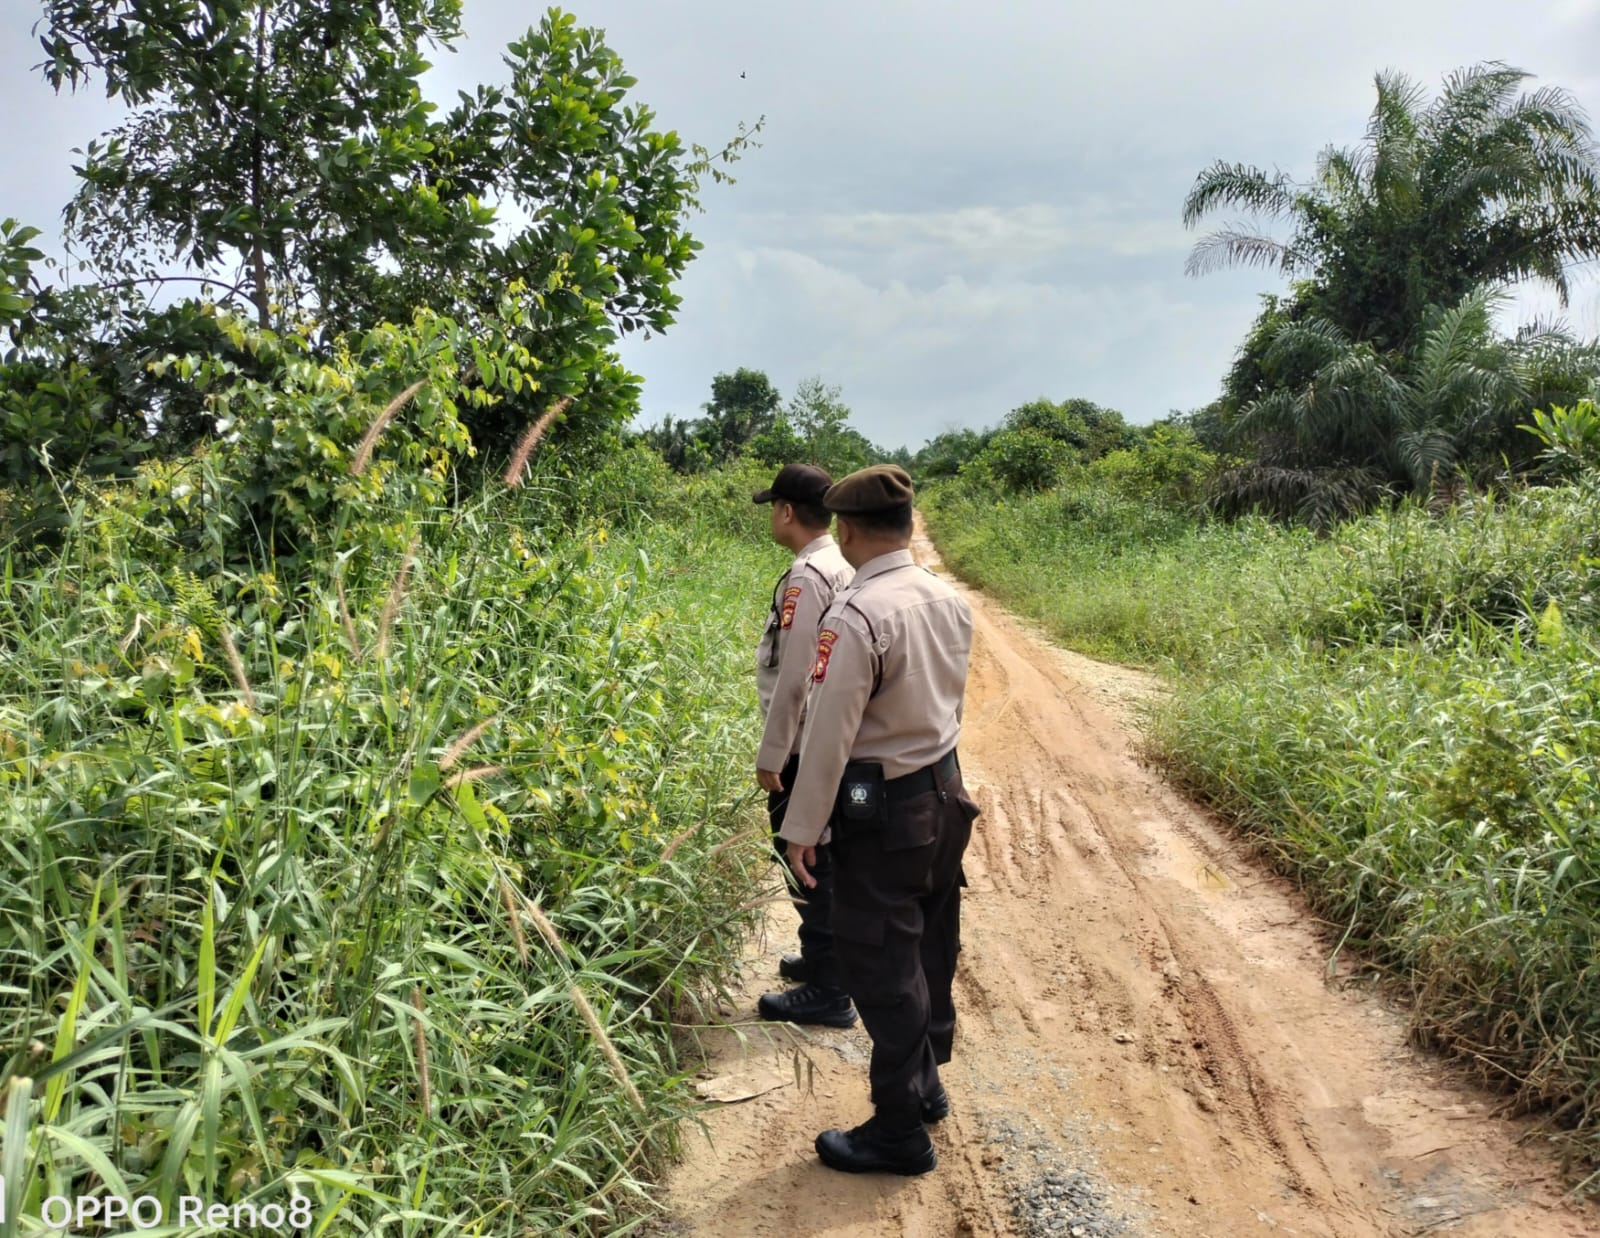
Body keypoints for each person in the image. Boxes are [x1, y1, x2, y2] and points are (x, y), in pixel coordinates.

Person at [778, 463, 979, 1177]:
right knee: (931, 947)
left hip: (886, 812)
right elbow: (949, 709)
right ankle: (926, 1086)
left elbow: (828, 734)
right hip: (945, 795)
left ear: (853, 529)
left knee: (882, 966)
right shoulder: (945, 599)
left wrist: (803, 828)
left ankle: (898, 1131)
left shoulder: (858, 615)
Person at [751, 463, 857, 1027]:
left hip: (800, 747)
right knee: (820, 858)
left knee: (806, 860)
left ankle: (829, 989)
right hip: (819, 740)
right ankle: (823, 960)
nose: (772, 514)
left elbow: (795, 675)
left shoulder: (807, 577)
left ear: (788, 511)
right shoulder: (838, 564)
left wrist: (774, 756)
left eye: (774, 506)